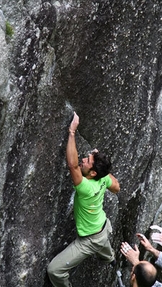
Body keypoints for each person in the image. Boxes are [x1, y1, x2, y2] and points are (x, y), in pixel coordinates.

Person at [47, 112, 120, 287]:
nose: (83, 159)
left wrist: (72, 132)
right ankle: (110, 259)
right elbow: (116, 187)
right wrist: (103, 170)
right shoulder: (103, 178)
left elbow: (72, 165)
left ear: (93, 173)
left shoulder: (86, 188)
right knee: (104, 245)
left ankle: (108, 257)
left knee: (54, 270)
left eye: (87, 161)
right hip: (103, 226)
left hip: (90, 239)